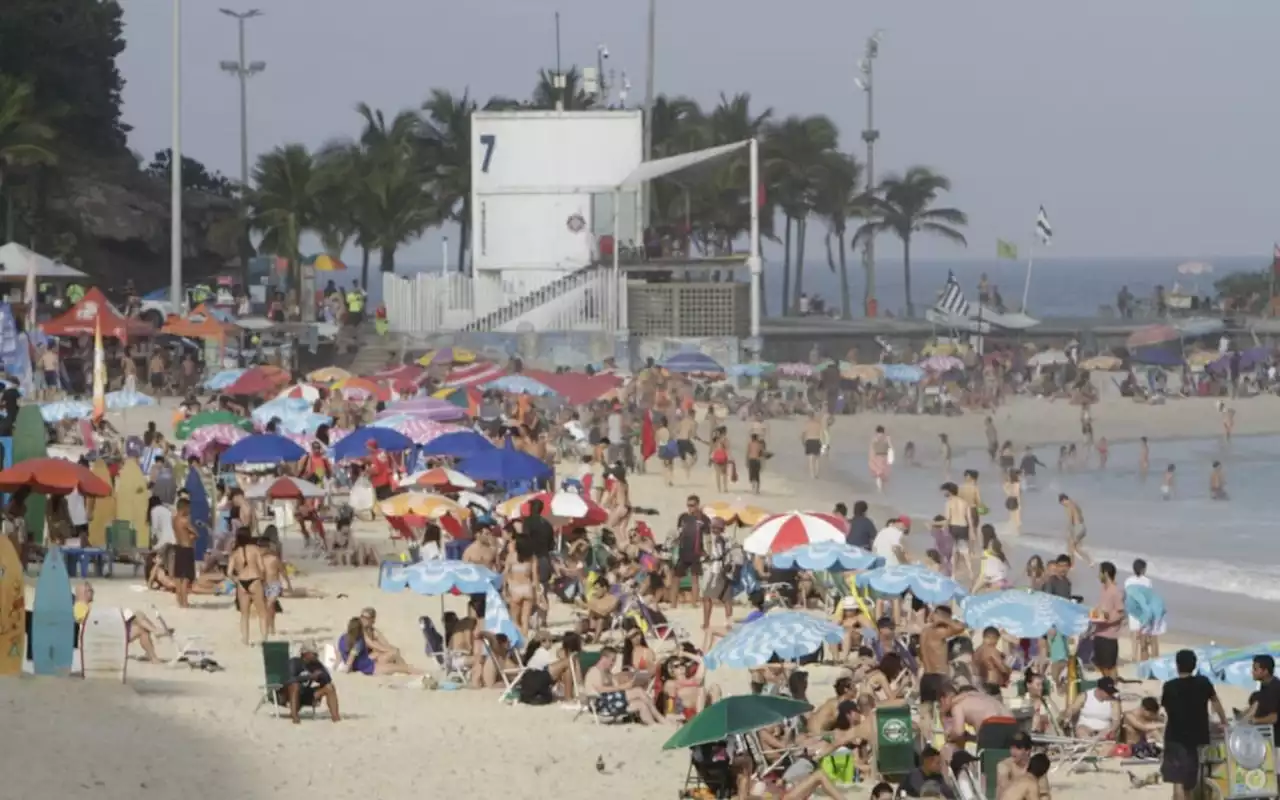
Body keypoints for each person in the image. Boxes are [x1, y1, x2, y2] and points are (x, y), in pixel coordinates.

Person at [1161, 649, 1228, 800]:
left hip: (1175, 736)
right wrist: (1224, 721)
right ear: (1195, 665)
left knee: (1178, 780)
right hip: (1197, 737)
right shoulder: (1203, 682)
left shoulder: (1169, 686)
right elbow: (1216, 702)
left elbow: (1167, 709)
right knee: (1189, 782)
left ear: (1177, 665)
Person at [581, 646, 668, 725]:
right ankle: (661, 718)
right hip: (600, 703)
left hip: (611, 701)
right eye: (612, 660)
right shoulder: (594, 671)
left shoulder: (608, 673)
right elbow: (600, 690)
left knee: (641, 704)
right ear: (604, 658)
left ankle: (654, 724)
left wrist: (630, 684)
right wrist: (622, 687)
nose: (613, 663)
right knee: (638, 691)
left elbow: (617, 687)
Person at [279, 641, 340, 723]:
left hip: (305, 694)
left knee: (330, 687)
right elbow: (287, 681)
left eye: (316, 653)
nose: (316, 655)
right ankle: (295, 717)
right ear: (305, 653)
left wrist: (322, 675)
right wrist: (309, 677)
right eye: (314, 653)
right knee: (295, 685)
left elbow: (327, 680)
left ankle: (336, 718)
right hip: (287, 696)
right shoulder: (294, 662)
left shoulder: (316, 664)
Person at [227, 527, 268, 645]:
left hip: (241, 582)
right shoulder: (255, 549)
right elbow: (262, 567)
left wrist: (236, 580)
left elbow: (229, 572)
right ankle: (264, 639)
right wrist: (262, 579)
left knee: (244, 614)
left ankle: (245, 639)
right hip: (254, 580)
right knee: (262, 613)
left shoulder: (235, 553)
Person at [672, 495, 711, 607]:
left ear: (697, 505)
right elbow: (678, 532)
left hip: (696, 552)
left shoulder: (704, 519)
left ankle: (693, 604)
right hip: (683, 551)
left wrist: (708, 552)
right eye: (688, 505)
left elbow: (708, 537)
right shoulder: (683, 517)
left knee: (695, 578)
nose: (690, 508)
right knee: (676, 578)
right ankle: (673, 604)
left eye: (692, 505)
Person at [1092, 561, 1126, 678]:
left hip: (1110, 635)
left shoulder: (1115, 591)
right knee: (1100, 665)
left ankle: (1112, 687)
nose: (1098, 575)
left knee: (1109, 666)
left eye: (1100, 572)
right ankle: (1107, 685)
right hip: (1099, 632)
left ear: (1105, 573)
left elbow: (1121, 612)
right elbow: (1102, 607)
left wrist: (1108, 619)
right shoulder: (1103, 589)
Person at [996, 733, 1050, 798]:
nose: (1013, 751)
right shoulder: (1004, 765)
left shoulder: (1036, 766)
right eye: (1012, 747)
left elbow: (1044, 793)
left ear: (1028, 750)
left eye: (1018, 748)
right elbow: (1005, 789)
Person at [521, 498, 556, 590]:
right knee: (542, 589)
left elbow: (525, 539)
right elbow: (551, 545)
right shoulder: (548, 524)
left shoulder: (528, 522)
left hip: (531, 559)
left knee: (529, 587)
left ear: (532, 508)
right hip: (544, 559)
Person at [1245, 655, 1280, 743]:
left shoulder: (1275, 688)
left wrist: (1254, 720)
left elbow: (1274, 717)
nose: (1252, 672)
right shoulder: (1264, 688)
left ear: (1265, 671)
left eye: (1255, 669)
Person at [170, 497, 196, 609]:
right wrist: (193, 536)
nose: (190, 510)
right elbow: (195, 532)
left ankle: (180, 601)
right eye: (189, 508)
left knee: (178, 576)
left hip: (178, 547)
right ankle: (185, 602)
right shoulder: (185, 521)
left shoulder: (174, 519)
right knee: (185, 577)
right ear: (184, 508)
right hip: (187, 548)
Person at [974, 626, 1012, 697]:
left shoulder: (978, 650)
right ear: (996, 638)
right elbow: (1003, 669)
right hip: (991, 688)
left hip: (979, 685)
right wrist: (1009, 670)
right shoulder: (991, 650)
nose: (994, 641)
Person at [1057, 493, 1093, 566]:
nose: (1063, 505)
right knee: (1077, 548)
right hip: (1082, 527)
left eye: (1062, 503)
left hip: (1077, 527)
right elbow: (1080, 516)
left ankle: (1071, 566)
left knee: (1070, 548)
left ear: (1064, 500)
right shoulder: (1075, 504)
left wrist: (1067, 530)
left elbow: (1071, 519)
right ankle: (1090, 561)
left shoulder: (1069, 506)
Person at [868, 425, 892, 493]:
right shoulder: (883, 438)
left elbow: (889, 447)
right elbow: (889, 447)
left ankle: (881, 489)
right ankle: (880, 488)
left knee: (881, 474)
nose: (880, 434)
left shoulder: (878, 438)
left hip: (880, 457)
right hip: (881, 457)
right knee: (880, 474)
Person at [800, 412, 824, 479]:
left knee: (811, 459)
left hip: (809, 440)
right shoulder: (818, 424)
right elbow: (822, 433)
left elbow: (802, 434)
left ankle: (812, 475)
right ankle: (817, 474)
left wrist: (802, 442)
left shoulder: (807, 424)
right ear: (814, 416)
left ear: (808, 417)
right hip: (817, 440)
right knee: (817, 459)